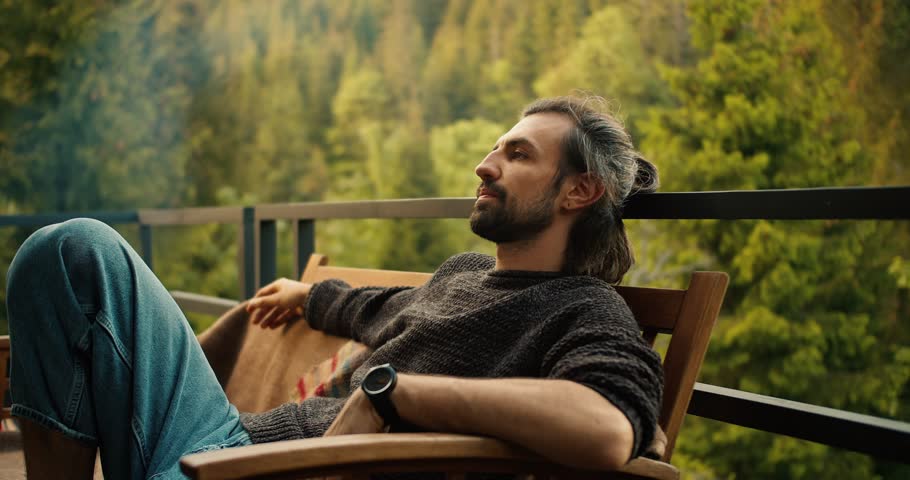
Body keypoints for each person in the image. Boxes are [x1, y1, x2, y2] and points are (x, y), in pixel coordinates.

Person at [6, 96, 663, 479]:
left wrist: (394, 392)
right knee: (59, 270)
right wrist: (308, 295)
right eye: (497, 149)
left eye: (518, 155)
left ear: (580, 190)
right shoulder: (466, 274)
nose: (484, 166)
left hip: (261, 469)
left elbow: (606, 428)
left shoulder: (584, 307)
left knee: (74, 253)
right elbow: (380, 309)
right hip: (234, 442)